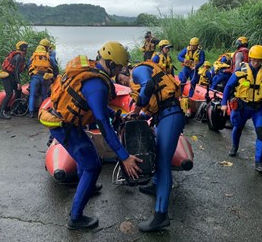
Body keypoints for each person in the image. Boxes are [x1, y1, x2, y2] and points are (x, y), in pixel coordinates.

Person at [39, 41, 142, 230]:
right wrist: (124, 156)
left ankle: (88, 186)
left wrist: (117, 115)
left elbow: (98, 107)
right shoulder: (97, 84)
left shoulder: (92, 69)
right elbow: (102, 123)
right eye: (119, 67)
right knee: (93, 166)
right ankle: (75, 218)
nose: (120, 71)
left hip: (64, 120)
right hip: (66, 127)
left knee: (86, 157)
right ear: (111, 64)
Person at [126, 59, 185, 232]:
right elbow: (156, 100)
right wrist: (141, 115)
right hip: (164, 116)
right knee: (159, 160)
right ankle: (154, 185)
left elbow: (150, 85)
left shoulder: (138, 71)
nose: (123, 81)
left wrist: (136, 110)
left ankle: (161, 216)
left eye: (123, 78)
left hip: (171, 116)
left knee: (162, 164)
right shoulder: (144, 71)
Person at [221, 45, 262, 172]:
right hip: (243, 106)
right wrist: (224, 103)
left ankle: (258, 162)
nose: (255, 63)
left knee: (261, 132)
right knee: (238, 127)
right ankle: (234, 146)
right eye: (253, 60)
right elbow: (228, 87)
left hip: (259, 107)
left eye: (258, 60)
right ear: (250, 58)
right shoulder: (242, 69)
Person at [27, 41, 58, 118]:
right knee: (44, 94)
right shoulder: (48, 57)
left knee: (32, 95)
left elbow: (28, 65)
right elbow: (55, 66)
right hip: (45, 77)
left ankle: (31, 112)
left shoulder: (33, 57)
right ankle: (44, 111)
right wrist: (55, 76)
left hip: (35, 78)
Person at [0, 41, 28, 119]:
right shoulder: (19, 56)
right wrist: (18, 83)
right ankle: (1, 112)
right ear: (24, 49)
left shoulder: (17, 55)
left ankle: (15, 109)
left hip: (11, 75)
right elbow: (16, 71)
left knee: (19, 91)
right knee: (9, 93)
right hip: (7, 76)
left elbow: (16, 69)